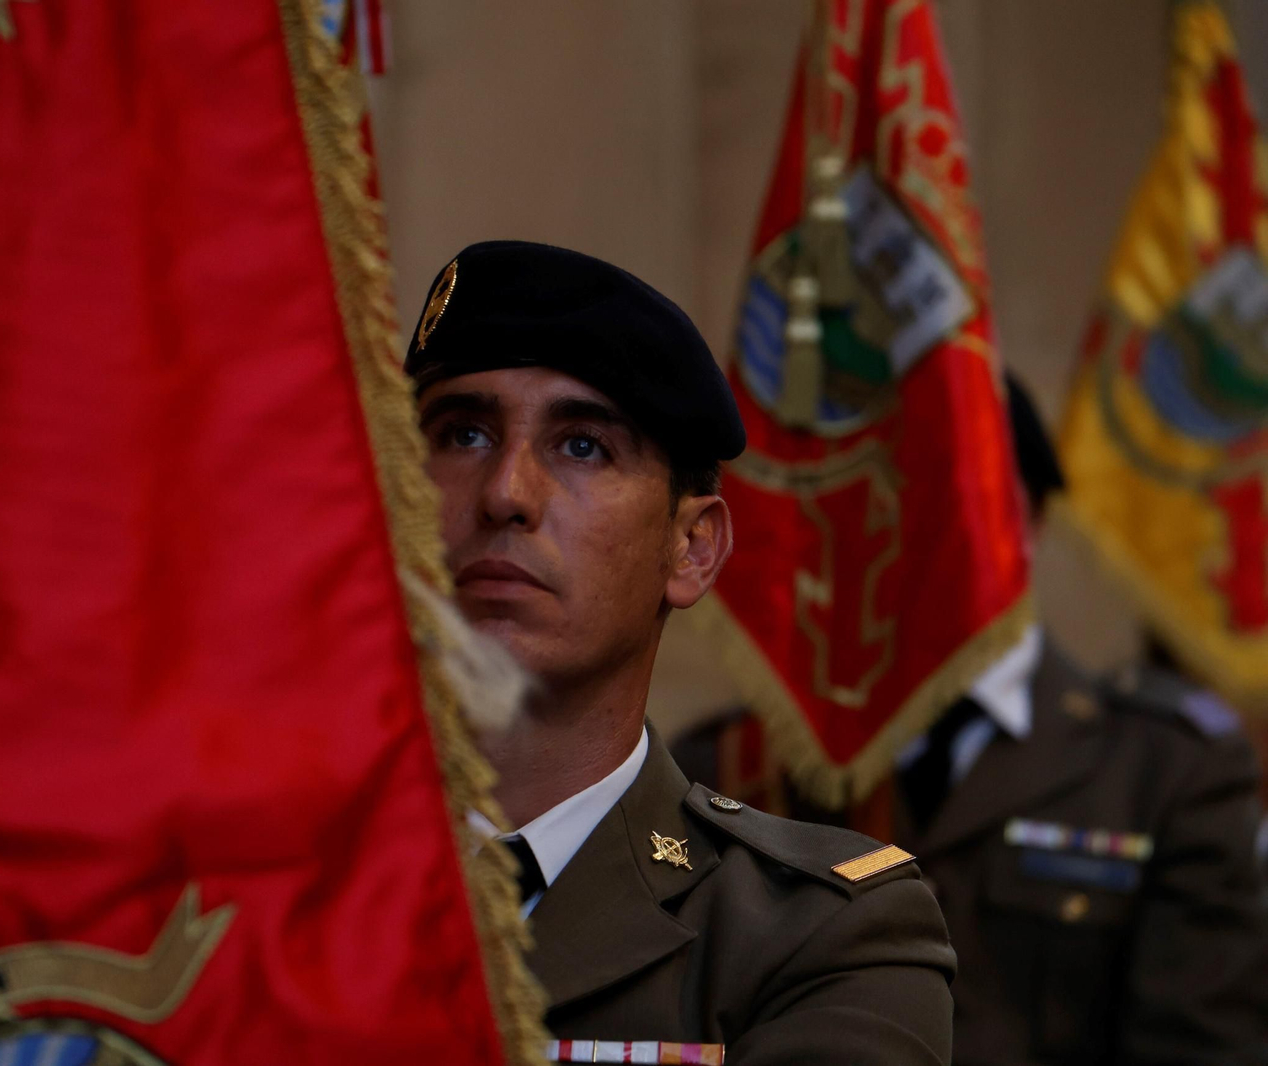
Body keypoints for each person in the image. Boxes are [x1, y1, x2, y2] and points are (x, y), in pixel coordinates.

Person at [407, 240, 956, 1064]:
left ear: (693, 549)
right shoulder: (258, 879)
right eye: (463, 434)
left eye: (583, 445)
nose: (505, 493)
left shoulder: (818, 932)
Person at [675, 374, 1268, 1066]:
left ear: (1031, 523)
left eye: (960, 494)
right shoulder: (738, 763)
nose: (924, 530)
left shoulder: (1166, 768)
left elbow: (1203, 1046)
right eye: (884, 497)